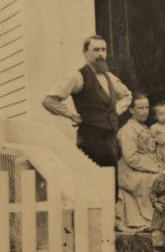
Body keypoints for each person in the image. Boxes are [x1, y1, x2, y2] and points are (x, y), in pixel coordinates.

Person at [42, 35, 132, 169]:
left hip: (111, 140)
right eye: (96, 50)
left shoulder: (111, 78)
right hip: (90, 140)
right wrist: (71, 115)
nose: (101, 54)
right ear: (85, 53)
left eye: (104, 50)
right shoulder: (78, 77)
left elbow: (127, 95)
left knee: (111, 181)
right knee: (93, 179)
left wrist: (117, 110)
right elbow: (49, 100)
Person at [116, 94, 164, 231]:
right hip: (130, 171)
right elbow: (131, 158)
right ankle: (151, 219)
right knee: (156, 179)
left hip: (144, 167)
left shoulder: (145, 128)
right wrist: (154, 167)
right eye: (140, 108)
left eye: (147, 108)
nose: (145, 111)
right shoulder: (127, 130)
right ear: (131, 110)